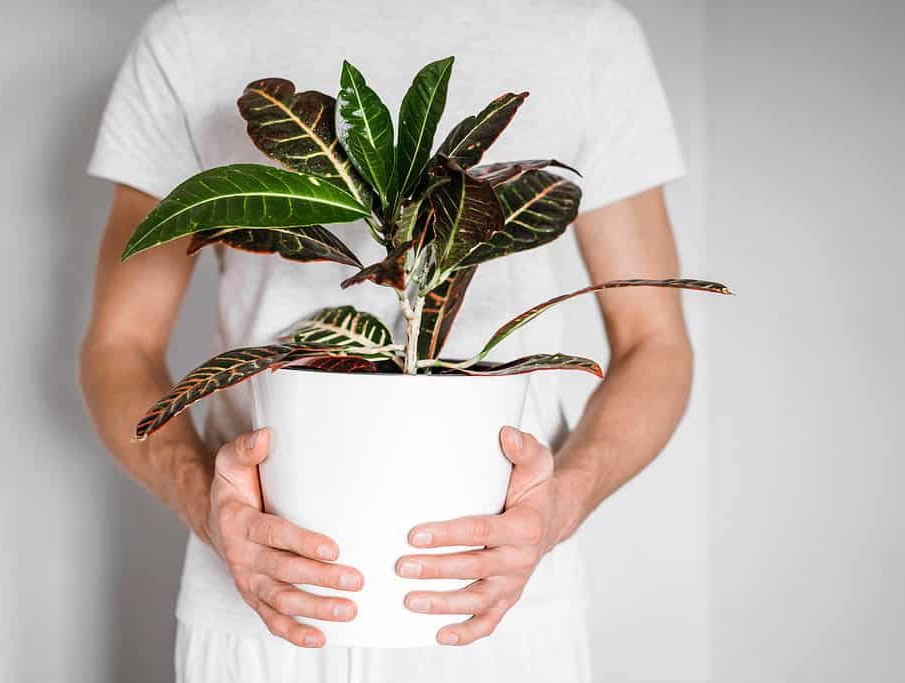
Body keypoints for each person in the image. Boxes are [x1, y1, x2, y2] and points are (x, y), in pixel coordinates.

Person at [80, 0, 693, 680]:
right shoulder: (196, 31)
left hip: (503, 611)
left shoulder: (585, 31)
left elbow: (654, 342)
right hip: (264, 607)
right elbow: (119, 345)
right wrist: (205, 506)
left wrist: (558, 507)